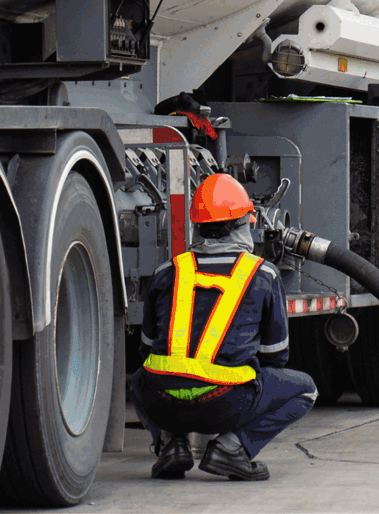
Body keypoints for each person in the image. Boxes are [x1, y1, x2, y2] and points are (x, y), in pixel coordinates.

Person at [128, 173, 316, 481]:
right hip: (227, 404)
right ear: (244, 223)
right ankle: (231, 449)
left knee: (140, 379)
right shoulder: (263, 275)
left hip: (161, 404)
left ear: (197, 226)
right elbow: (276, 356)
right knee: (305, 388)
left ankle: (171, 444)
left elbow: (146, 348)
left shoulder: (167, 272)